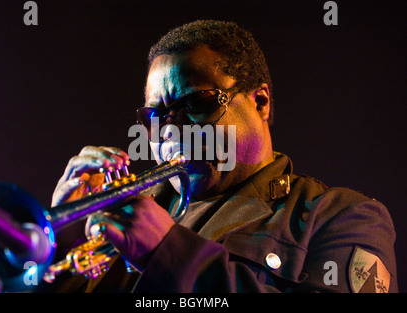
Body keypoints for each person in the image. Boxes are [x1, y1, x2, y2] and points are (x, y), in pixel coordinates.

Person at [46, 20, 397, 293]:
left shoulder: (342, 216)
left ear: (260, 101)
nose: (172, 129)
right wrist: (57, 245)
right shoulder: (127, 213)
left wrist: (168, 254)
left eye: (197, 103)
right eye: (155, 115)